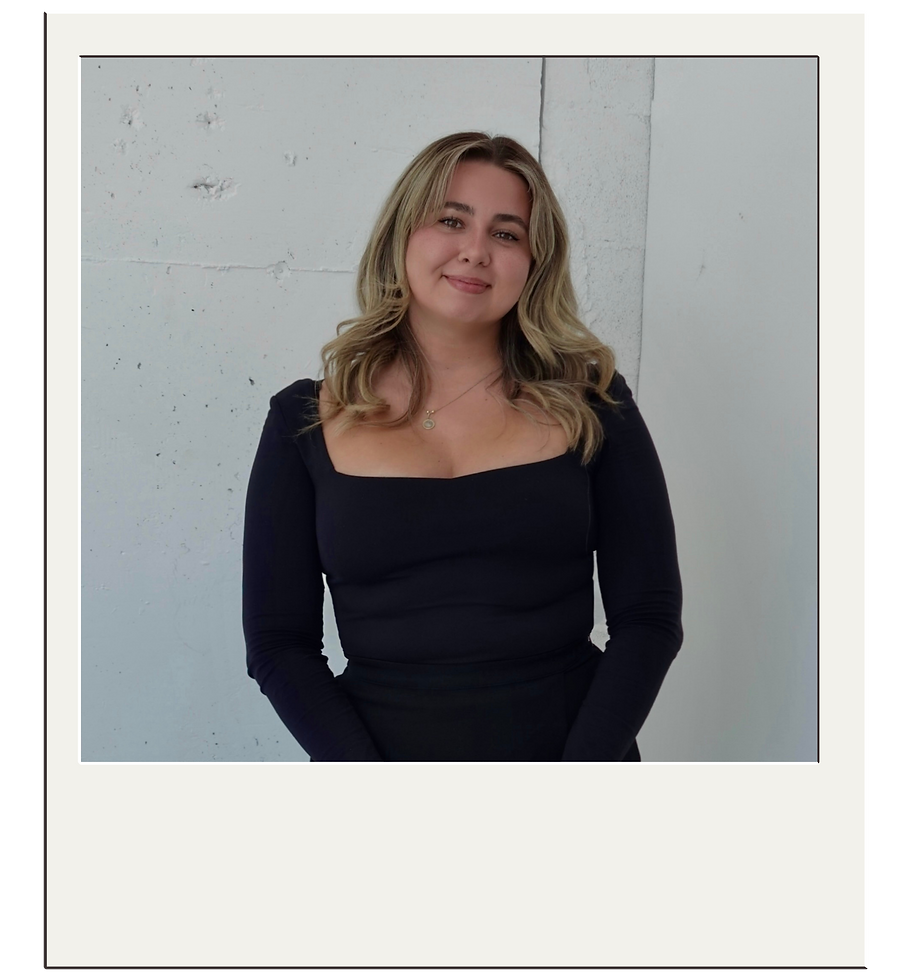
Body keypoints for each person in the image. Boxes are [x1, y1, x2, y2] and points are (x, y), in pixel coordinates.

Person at [242, 132, 683, 762]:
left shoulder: (592, 402)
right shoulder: (304, 419)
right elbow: (278, 642)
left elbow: (649, 617)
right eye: (451, 220)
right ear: (402, 236)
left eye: (506, 233)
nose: (475, 251)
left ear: (534, 262)